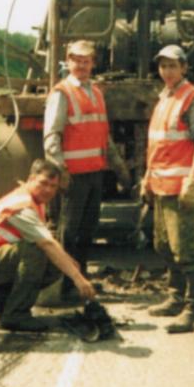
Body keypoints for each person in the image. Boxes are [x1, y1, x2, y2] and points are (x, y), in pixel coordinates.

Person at [42, 39, 131, 302]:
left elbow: (104, 135)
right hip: (73, 176)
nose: (81, 65)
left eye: (86, 60)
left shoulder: (96, 92)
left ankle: (81, 281)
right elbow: (51, 136)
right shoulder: (61, 93)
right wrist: (60, 172)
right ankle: (66, 286)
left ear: (93, 63)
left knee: (87, 231)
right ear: (68, 61)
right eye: (76, 60)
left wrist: (119, 168)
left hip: (95, 174)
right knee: (68, 232)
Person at [0, 159, 97, 331]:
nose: (48, 190)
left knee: (59, 264)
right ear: (31, 179)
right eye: (43, 183)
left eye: (53, 186)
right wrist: (79, 279)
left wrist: (71, 265)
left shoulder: (35, 201)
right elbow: (46, 243)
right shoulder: (22, 206)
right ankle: (16, 315)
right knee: (36, 251)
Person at [142, 44, 194, 333]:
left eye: (172, 66)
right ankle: (174, 297)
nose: (167, 71)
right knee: (163, 245)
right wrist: (147, 177)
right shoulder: (165, 98)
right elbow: (157, 143)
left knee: (185, 248)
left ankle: (193, 309)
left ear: (184, 68)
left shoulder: (193, 99)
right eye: (163, 66)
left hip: (179, 186)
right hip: (159, 185)